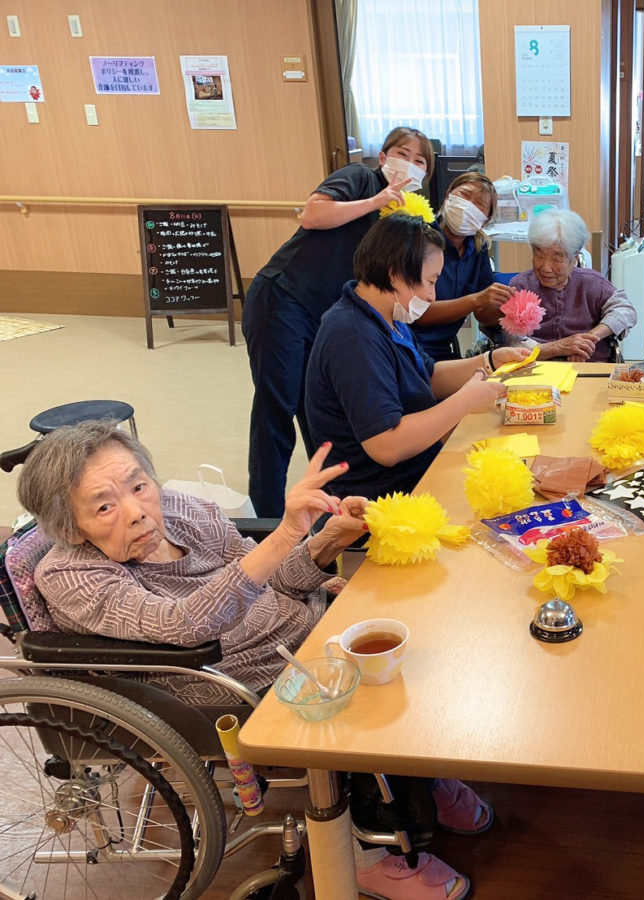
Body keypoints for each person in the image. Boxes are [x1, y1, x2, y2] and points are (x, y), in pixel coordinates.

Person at [16, 422, 488, 900]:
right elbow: (185, 624)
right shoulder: (70, 575)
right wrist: (285, 533)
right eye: (104, 506)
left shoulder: (184, 510)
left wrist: (328, 540)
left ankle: (422, 781)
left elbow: (276, 580)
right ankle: (365, 858)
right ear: (70, 527)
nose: (138, 512)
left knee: (409, 643)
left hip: (302, 633)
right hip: (224, 679)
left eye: (139, 486)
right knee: (362, 700)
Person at [243, 125, 434, 518]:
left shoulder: (400, 217)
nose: (410, 165)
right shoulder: (360, 178)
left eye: (420, 162)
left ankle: (329, 505)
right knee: (277, 408)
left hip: (329, 313)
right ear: (383, 158)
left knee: (321, 412)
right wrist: (376, 199)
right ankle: (265, 519)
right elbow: (312, 214)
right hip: (285, 298)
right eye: (402, 154)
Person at [304, 213, 529, 502]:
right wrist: (465, 401)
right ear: (395, 274)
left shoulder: (387, 315)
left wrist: (489, 361)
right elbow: (387, 445)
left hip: (419, 466)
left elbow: (428, 375)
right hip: (382, 497)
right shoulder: (352, 336)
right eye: (430, 281)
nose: (434, 296)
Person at [506, 209, 637, 362]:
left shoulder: (591, 283)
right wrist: (559, 347)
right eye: (539, 255)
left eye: (557, 258)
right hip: (537, 368)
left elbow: (625, 311)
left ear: (574, 259)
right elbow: (514, 342)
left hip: (590, 367)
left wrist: (587, 340)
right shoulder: (521, 286)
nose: (545, 267)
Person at [409, 172, 513, 362]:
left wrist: (510, 308)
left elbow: (483, 316)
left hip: (441, 351)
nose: (468, 207)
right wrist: (476, 299)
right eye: (464, 196)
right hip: (405, 348)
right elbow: (418, 313)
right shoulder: (420, 237)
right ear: (448, 196)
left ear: (486, 220)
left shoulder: (478, 249)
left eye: (479, 204)